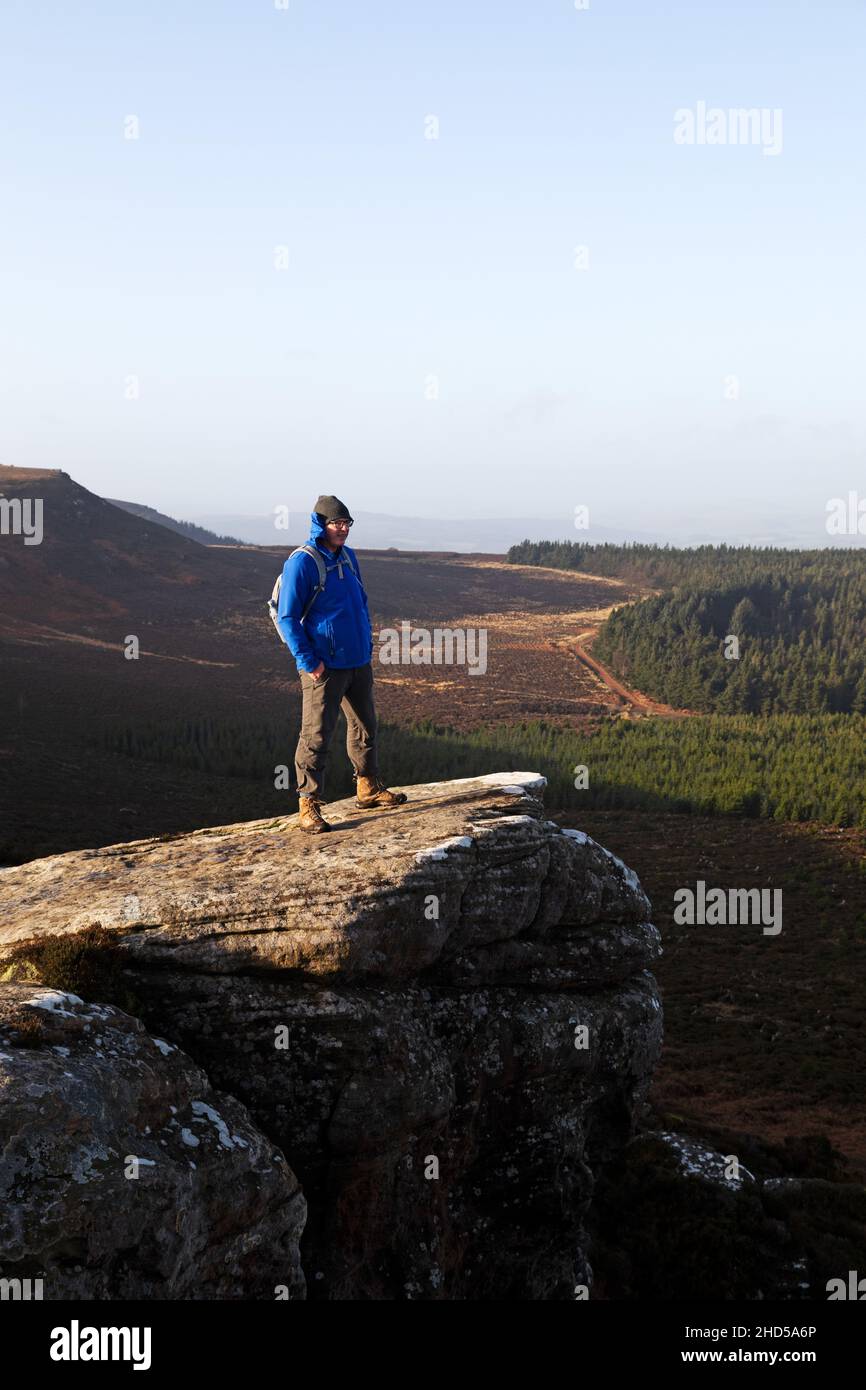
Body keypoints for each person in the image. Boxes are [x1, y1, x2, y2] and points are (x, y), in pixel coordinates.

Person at [276, 495, 407, 834]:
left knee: (365, 726)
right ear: (320, 524)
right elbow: (288, 617)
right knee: (316, 735)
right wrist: (310, 662)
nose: (343, 529)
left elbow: (360, 602)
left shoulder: (348, 557)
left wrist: (366, 643)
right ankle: (308, 804)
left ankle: (368, 787)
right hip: (324, 666)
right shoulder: (302, 563)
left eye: (347, 523)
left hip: (357, 661)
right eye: (336, 523)